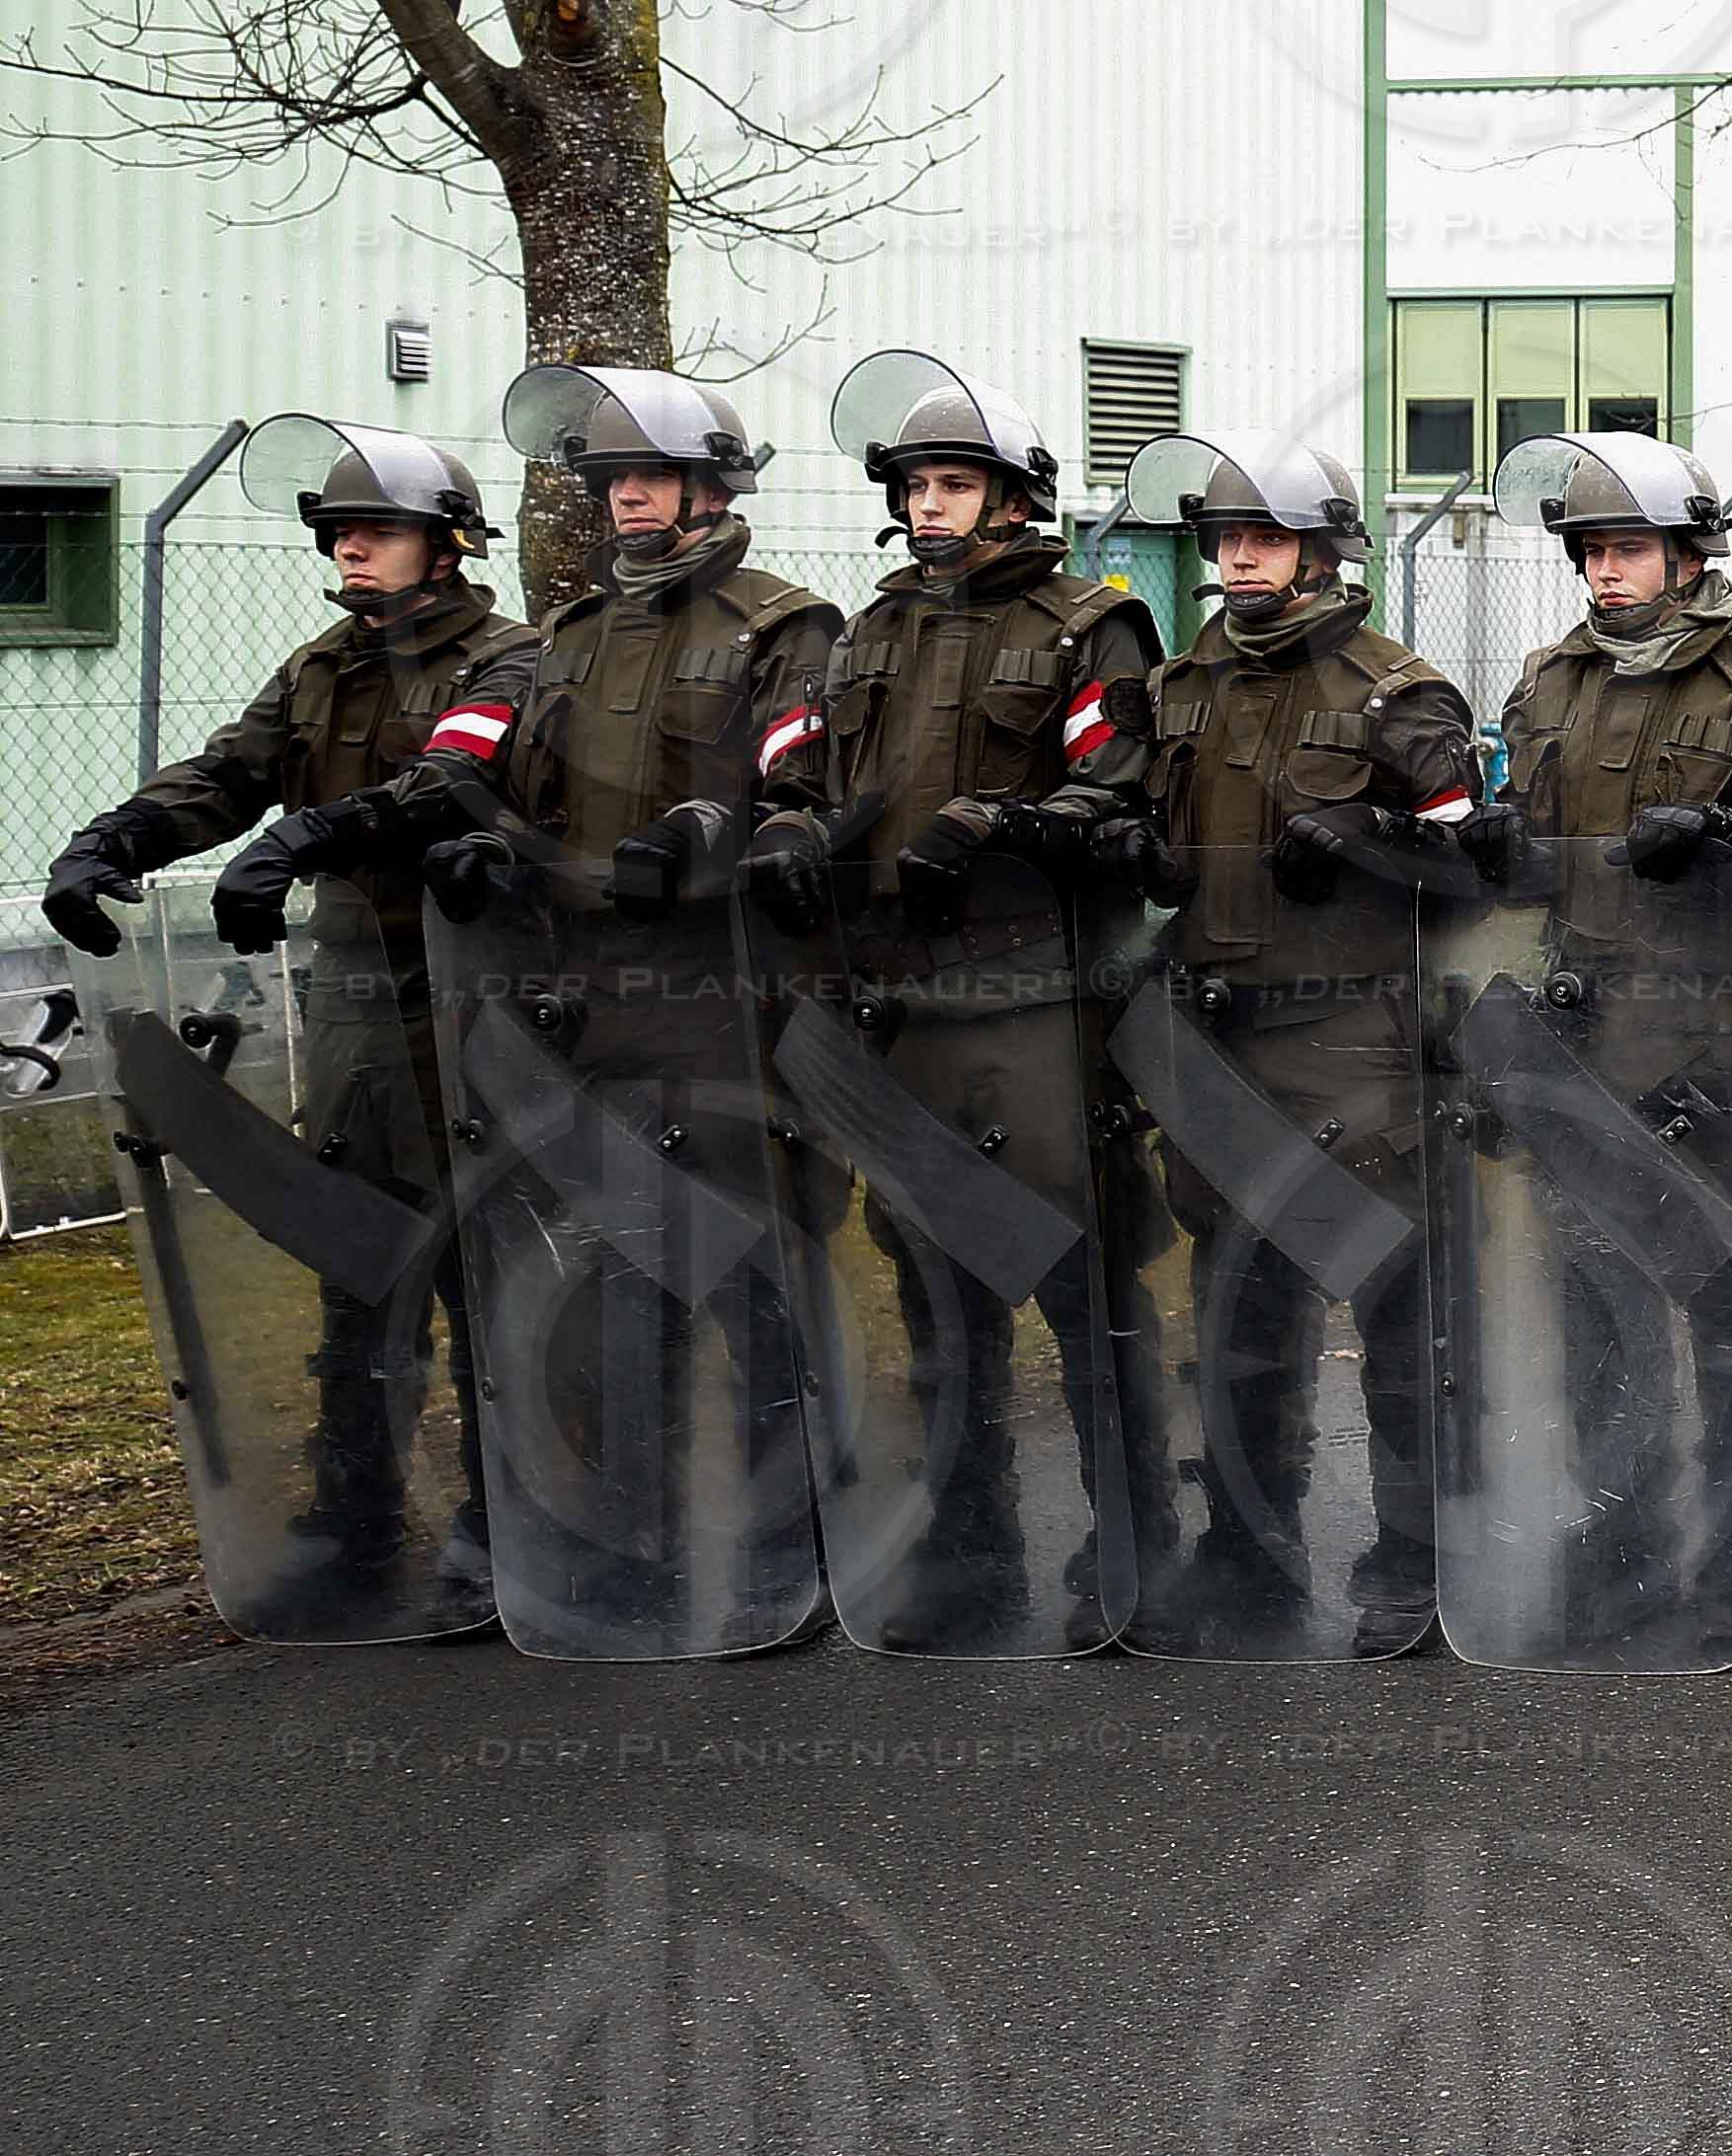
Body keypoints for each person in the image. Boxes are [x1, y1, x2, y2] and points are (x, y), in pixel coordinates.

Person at [40, 414, 536, 1639]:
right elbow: (229, 774)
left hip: (475, 1001)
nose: (350, 548)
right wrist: (112, 841)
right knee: (354, 1263)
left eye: (378, 530)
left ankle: (510, 1527)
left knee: (483, 1272)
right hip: (354, 1002)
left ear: (448, 545)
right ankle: (353, 1524)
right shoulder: (323, 665)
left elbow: (453, 780)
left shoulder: (511, 659)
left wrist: (304, 838)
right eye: (339, 532)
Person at [406, 364, 845, 1652]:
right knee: (613, 1289)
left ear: (712, 486)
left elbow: (802, 787)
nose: (627, 499)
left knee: (751, 1281)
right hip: (588, 1007)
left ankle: (792, 1556)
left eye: (651, 476)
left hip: (729, 1002)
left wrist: (710, 832)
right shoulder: (573, 633)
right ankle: (631, 1548)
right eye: (610, 481)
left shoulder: (784, 625)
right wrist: (486, 843)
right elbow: (520, 785)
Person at [758, 350, 1163, 1653]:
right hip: (904, 1009)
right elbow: (813, 776)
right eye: (916, 485)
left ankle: (1134, 1544)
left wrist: (1004, 822)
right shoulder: (869, 630)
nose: (928, 504)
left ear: (1014, 498)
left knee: (1077, 1279)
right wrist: (791, 833)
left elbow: (1122, 785)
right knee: (936, 1288)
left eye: (954, 483)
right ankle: (969, 1542)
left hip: (1039, 1001)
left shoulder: (1088, 624)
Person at [1107, 430, 1485, 1654]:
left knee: (1396, 1306)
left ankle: (1414, 1562)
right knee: (1238, 1311)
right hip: (1218, 1039)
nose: (1240, 559)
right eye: (1227, 539)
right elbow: (1137, 828)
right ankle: (1248, 1550)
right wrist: (1133, 852)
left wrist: (1377, 836)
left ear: (1324, 551)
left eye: (1266, 538)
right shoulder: (1177, 687)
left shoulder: (1396, 690)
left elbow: (1477, 864)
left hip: (1354, 1036)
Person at [1477, 429, 1732, 1657]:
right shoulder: (1546, 680)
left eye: (1628, 549)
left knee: (1726, 1300)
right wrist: (1489, 846)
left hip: (1712, 1034)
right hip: (1584, 1028)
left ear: (1688, 554)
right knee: (1595, 1299)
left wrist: (1731, 838)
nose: (1605, 571)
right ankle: (1621, 1532)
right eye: (1591, 552)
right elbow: (1524, 843)